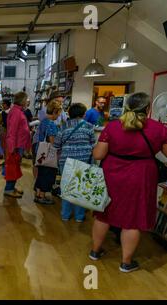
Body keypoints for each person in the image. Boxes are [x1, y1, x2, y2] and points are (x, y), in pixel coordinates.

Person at [90, 92, 167, 273]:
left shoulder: (113, 127)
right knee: (132, 219)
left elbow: (98, 155)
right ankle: (126, 262)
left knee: (104, 213)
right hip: (141, 176)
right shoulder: (158, 129)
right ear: (148, 109)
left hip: (113, 174)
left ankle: (95, 252)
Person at [54, 103, 95, 222]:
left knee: (66, 187)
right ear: (83, 114)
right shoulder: (89, 126)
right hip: (84, 160)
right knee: (81, 188)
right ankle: (79, 216)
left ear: (70, 114)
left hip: (66, 161)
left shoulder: (64, 126)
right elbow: (93, 144)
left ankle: (65, 215)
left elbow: (56, 145)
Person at [34, 100, 62, 205]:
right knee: (48, 173)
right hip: (49, 152)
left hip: (41, 151)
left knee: (41, 172)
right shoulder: (52, 124)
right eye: (59, 113)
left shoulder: (44, 120)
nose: (59, 115)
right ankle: (42, 196)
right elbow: (52, 141)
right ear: (55, 111)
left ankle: (38, 194)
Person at [4, 92, 31, 198]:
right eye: (26, 99)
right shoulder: (16, 112)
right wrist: (12, 147)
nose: (27, 101)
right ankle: (9, 189)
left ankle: (11, 187)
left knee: (15, 167)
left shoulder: (17, 111)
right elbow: (12, 131)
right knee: (13, 167)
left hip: (18, 145)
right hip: (16, 146)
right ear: (22, 100)